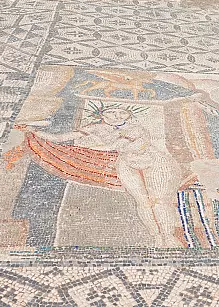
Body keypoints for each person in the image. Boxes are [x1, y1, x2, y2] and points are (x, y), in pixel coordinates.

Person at [18, 105, 185, 248]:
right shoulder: (93, 128)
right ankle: (156, 236)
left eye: (122, 113)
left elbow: (136, 144)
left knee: (159, 200)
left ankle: (168, 235)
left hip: (152, 161)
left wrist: (106, 146)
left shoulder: (136, 128)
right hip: (126, 163)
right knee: (142, 201)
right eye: (112, 112)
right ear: (102, 114)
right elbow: (60, 138)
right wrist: (34, 131)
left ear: (129, 115)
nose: (117, 116)